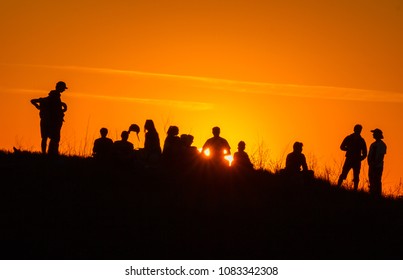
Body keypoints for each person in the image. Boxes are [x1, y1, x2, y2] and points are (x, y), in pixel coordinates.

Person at [31, 81, 68, 155]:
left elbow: (33, 101)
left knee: (45, 138)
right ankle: (50, 153)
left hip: (46, 121)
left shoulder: (50, 98)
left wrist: (38, 106)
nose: (64, 90)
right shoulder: (53, 98)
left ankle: (46, 153)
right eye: (63, 88)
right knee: (54, 138)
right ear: (59, 88)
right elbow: (33, 101)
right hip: (52, 122)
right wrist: (38, 106)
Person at [337, 124, 367, 190]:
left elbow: (365, 153)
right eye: (357, 129)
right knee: (344, 174)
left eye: (359, 130)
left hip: (356, 160)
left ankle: (355, 190)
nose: (358, 131)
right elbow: (342, 147)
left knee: (356, 176)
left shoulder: (361, 140)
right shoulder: (349, 138)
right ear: (354, 129)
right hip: (349, 159)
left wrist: (360, 158)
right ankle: (337, 187)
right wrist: (348, 149)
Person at [367, 128, 387, 197]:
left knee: (377, 180)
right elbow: (369, 154)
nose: (373, 134)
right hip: (371, 165)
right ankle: (372, 193)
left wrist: (375, 163)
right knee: (371, 179)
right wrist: (369, 163)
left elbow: (381, 156)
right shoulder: (372, 144)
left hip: (378, 166)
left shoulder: (382, 145)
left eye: (374, 133)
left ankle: (378, 194)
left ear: (378, 135)